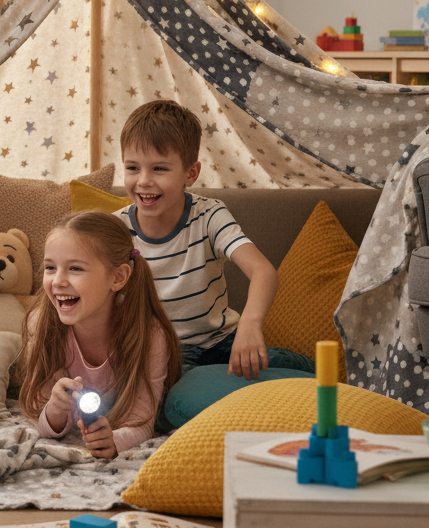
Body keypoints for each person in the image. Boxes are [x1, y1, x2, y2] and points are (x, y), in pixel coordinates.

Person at [114, 100, 313, 380]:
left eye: (159, 169)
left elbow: (263, 271)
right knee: (169, 397)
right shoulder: (116, 229)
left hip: (222, 343)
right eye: (132, 168)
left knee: (297, 368)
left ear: (190, 174)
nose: (144, 181)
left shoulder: (209, 215)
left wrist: (249, 325)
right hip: (164, 352)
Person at [19, 211, 182, 458]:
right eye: (50, 268)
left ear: (118, 277)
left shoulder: (148, 335)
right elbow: (41, 422)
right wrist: (54, 409)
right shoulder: (41, 324)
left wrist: (114, 440)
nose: (58, 281)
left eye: (75, 268)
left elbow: (142, 421)